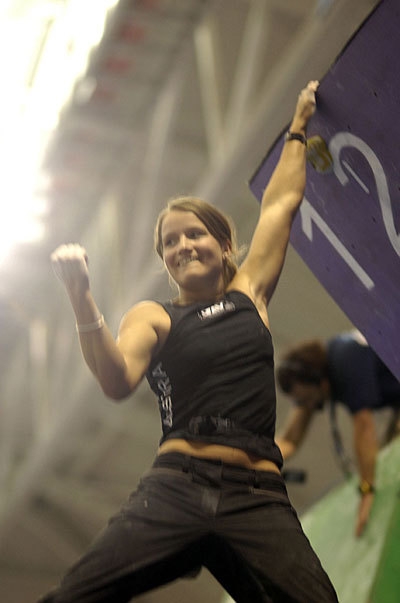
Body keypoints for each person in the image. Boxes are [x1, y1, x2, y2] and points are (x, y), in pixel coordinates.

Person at [38, 80, 338, 603]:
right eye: (170, 242)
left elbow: (281, 204)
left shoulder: (252, 295)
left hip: (257, 498)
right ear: (165, 262)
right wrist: (80, 295)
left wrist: (297, 127)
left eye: (194, 234)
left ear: (225, 246)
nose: (182, 246)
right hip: (177, 486)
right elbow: (116, 379)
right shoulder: (155, 316)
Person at [275, 330, 400, 539]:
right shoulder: (321, 371)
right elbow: (290, 439)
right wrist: (254, 462)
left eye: (305, 399)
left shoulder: (344, 362)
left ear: (320, 383)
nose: (305, 407)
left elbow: (364, 429)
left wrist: (367, 490)